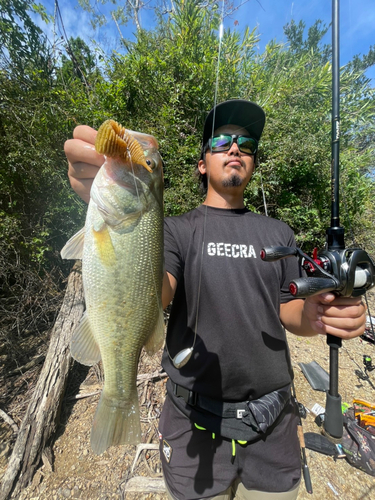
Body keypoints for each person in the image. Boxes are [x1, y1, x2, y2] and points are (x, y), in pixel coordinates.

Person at [64, 99, 366, 500]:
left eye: (246, 143)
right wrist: (109, 207)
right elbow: (155, 293)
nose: (235, 148)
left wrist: (317, 316)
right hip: (192, 429)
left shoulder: (279, 232)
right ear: (203, 164)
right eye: (221, 140)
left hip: (273, 434)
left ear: (253, 163)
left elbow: (289, 311)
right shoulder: (172, 230)